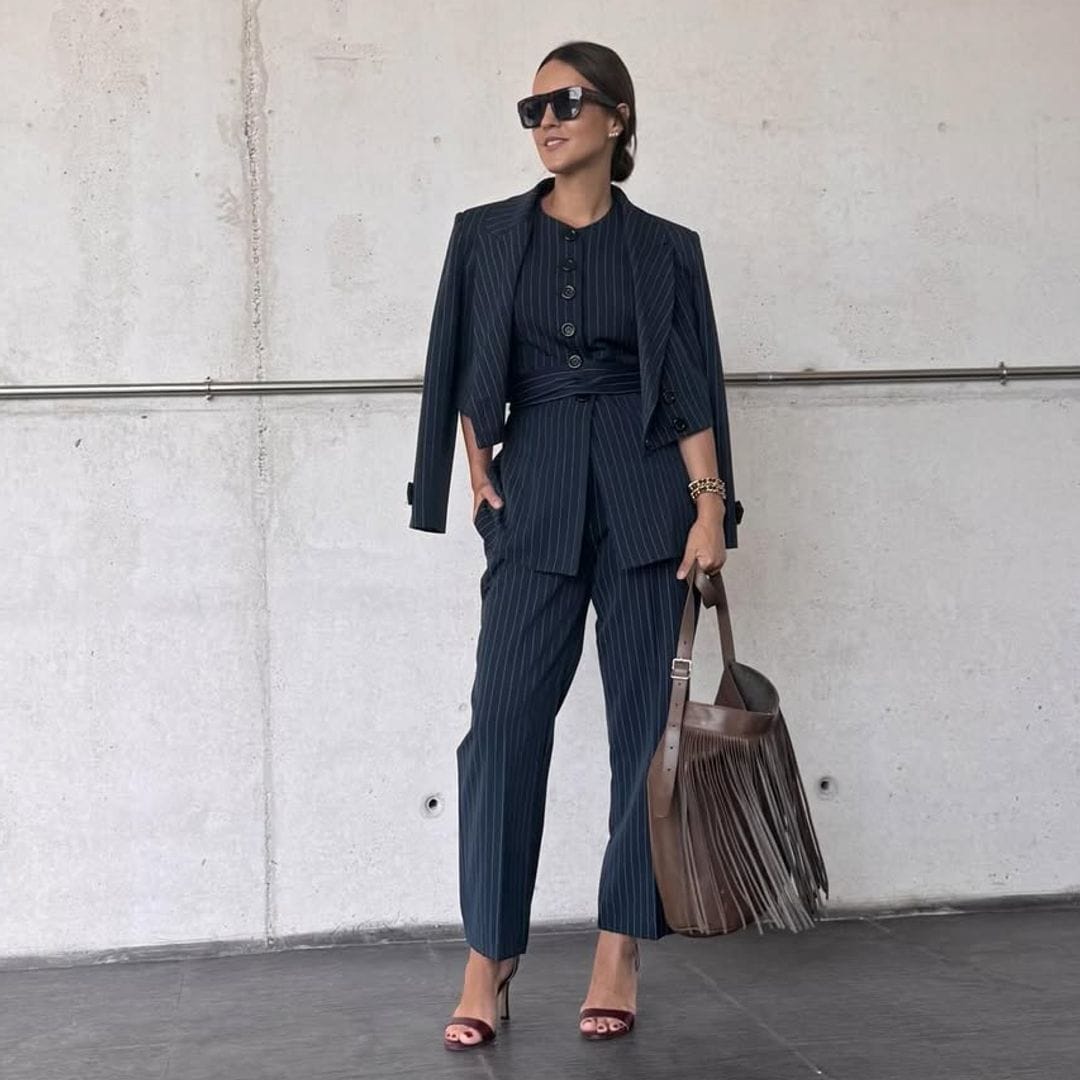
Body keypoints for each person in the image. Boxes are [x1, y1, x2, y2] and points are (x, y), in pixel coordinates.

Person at [406, 40, 744, 1050]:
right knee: (503, 726)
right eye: (533, 108)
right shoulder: (485, 235)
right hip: (538, 489)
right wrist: (474, 462)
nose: (546, 121)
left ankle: (618, 946)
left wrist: (710, 508)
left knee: (647, 733)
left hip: (645, 499)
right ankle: (489, 955)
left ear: (617, 117)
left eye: (566, 102)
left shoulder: (666, 248)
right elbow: (464, 361)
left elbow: (688, 385)